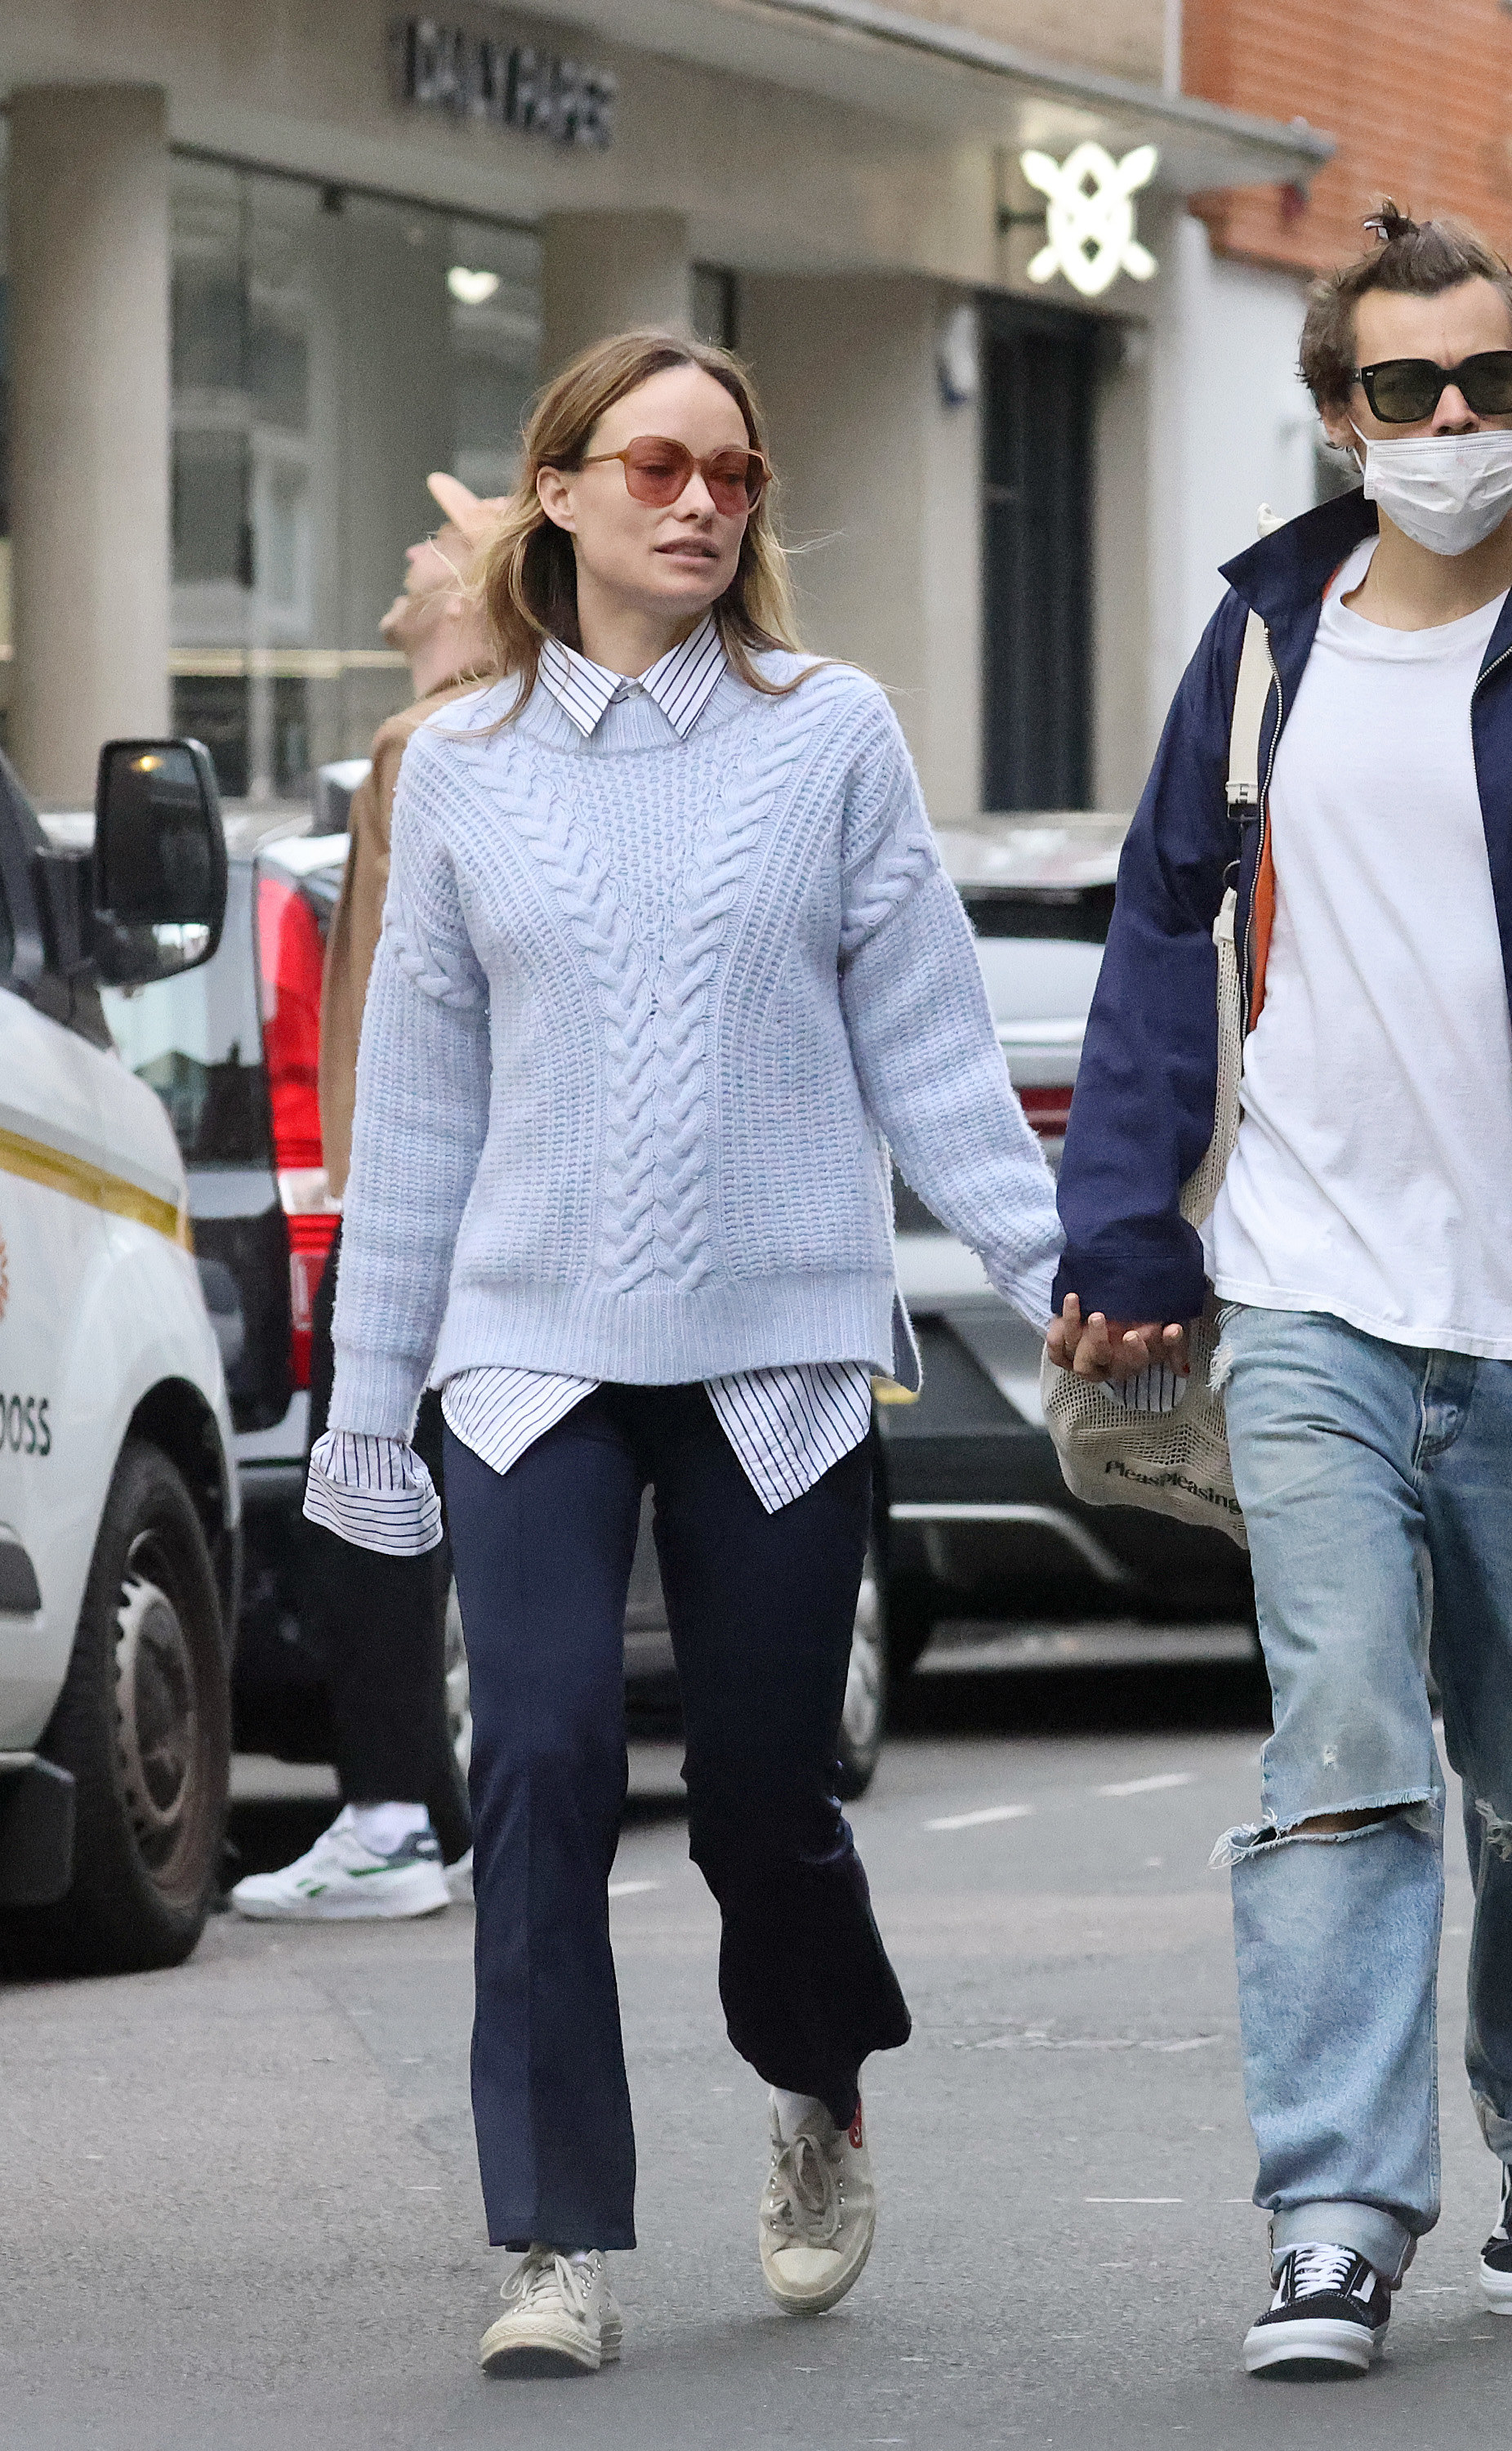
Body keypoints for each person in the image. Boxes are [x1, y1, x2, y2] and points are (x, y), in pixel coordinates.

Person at [1046, 204, 1512, 2379]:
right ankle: (1337, 2209)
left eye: (1489, 385)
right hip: (1306, 1293)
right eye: (1409, 390)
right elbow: (1157, 942)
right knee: (1344, 1744)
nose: (1455, 423)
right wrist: (1124, 1236)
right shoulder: (1264, 650)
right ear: (1336, 416)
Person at [303, 329, 1062, 2373]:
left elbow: (926, 1041)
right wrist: (370, 1403)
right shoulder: (456, 772)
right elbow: (420, 1119)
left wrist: (1061, 1265)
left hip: (783, 1345)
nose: (703, 504)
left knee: (757, 1795)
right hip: (527, 1348)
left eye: (733, 473)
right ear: (557, 494)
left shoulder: (832, 734)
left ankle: (819, 2083)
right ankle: (552, 2236)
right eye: (655, 467)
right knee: (537, 1760)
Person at [232, 473, 505, 1923]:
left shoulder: (432, 739)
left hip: (423, 1192)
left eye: (440, 538)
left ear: (478, 586)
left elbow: (414, 1001)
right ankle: (443, 1814)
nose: (407, 553)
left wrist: (375, 1193)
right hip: (474, 1191)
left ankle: (394, 1812)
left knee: (369, 1492)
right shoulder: (488, 729)